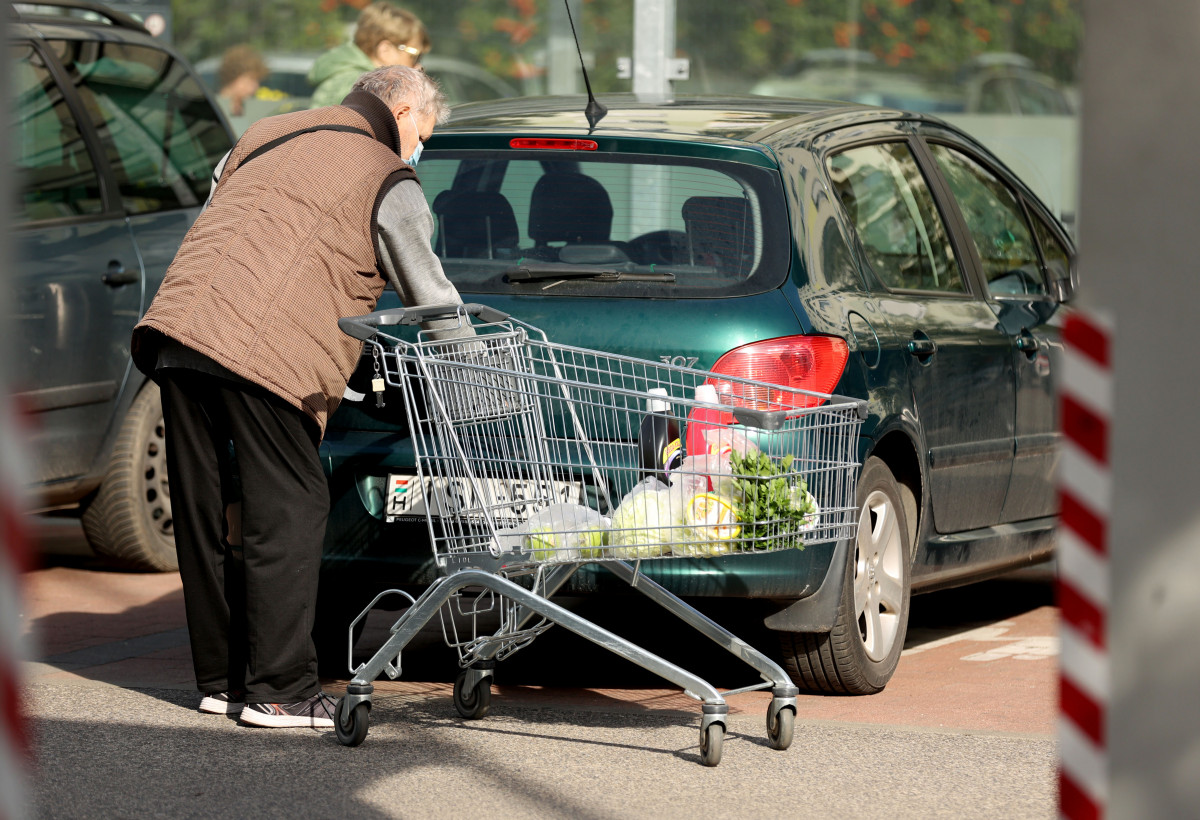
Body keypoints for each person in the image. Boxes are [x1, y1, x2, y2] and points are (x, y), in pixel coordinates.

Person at [130, 65, 465, 729]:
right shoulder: (384, 173)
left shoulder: (263, 133)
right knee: (290, 503)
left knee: (209, 507)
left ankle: (225, 682)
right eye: (422, 133)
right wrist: (476, 369)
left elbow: (225, 227)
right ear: (399, 109)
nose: (418, 148)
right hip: (265, 352)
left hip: (179, 329)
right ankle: (280, 688)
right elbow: (429, 293)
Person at [308, 2, 430, 109]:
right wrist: (410, 84)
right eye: (414, 55)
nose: (418, 65)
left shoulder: (347, 80)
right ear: (385, 50)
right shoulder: (365, 88)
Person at [216, 45, 268, 119]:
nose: (256, 86)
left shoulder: (246, 110)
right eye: (251, 79)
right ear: (233, 76)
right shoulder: (215, 109)